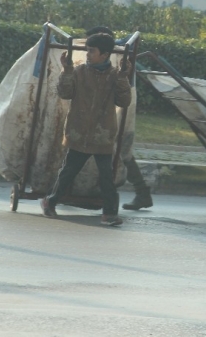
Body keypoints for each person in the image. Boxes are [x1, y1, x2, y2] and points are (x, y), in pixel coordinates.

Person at [40, 32, 132, 226]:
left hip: (103, 135)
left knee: (107, 176)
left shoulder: (115, 75)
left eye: (92, 51)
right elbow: (65, 93)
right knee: (69, 171)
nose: (88, 54)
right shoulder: (79, 71)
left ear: (105, 55)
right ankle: (51, 201)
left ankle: (109, 213)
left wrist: (124, 77)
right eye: (88, 50)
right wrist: (66, 71)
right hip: (78, 132)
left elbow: (124, 101)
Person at [86, 26, 154, 211]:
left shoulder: (116, 55)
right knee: (121, 152)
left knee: (122, 152)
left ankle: (142, 192)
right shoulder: (117, 54)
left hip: (118, 113)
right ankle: (141, 192)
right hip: (114, 112)